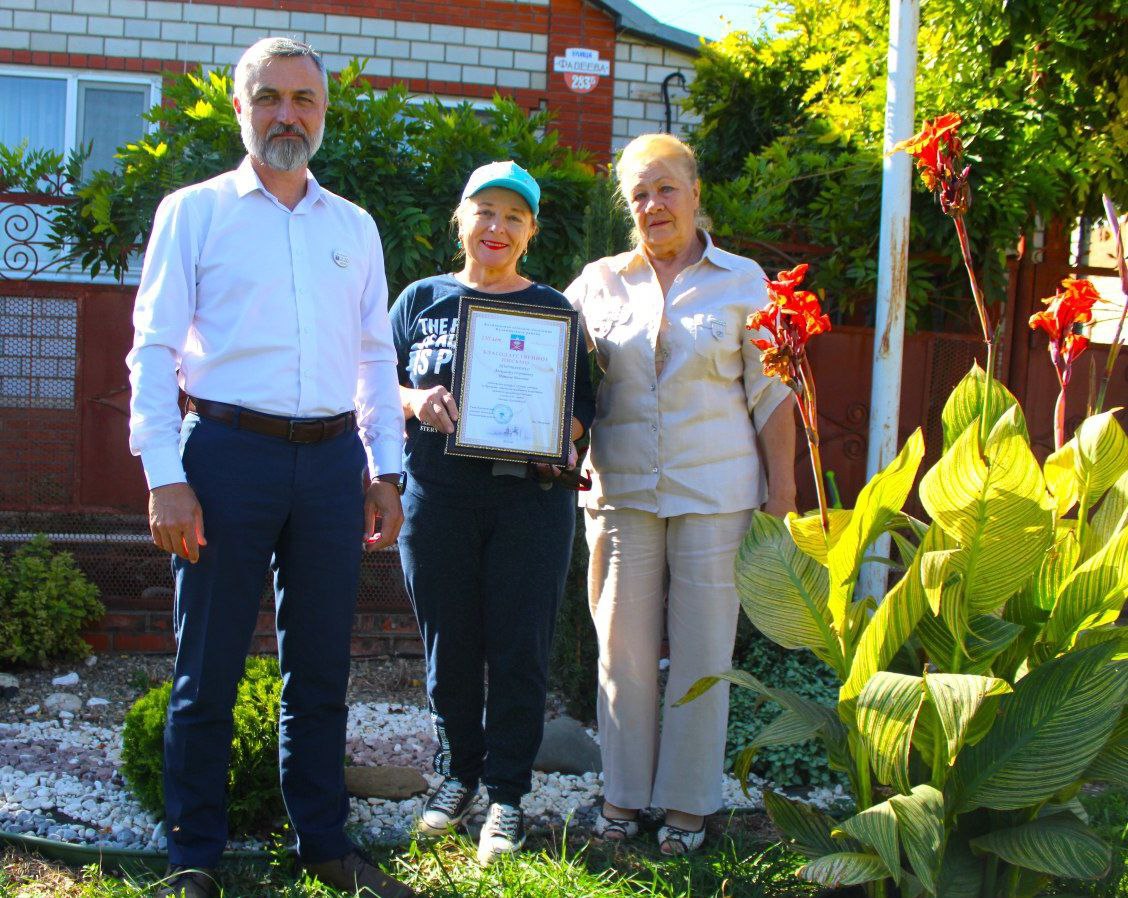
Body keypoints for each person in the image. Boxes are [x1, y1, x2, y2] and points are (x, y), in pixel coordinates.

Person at [127, 37, 416, 898]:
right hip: (223, 459)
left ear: (324, 113)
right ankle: (193, 861)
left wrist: (384, 469)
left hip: (332, 465)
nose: (288, 114)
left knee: (322, 667)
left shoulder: (352, 227)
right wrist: (163, 473)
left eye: (304, 100)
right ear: (239, 105)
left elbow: (373, 360)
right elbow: (151, 349)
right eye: (270, 97)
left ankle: (325, 845)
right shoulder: (196, 211)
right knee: (207, 668)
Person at [564, 133, 797, 855]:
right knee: (621, 655)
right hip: (622, 490)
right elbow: (559, 382)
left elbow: (773, 394)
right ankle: (622, 799)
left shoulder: (744, 281)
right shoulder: (595, 282)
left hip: (717, 493)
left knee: (703, 654)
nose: (652, 204)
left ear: (697, 195)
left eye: (666, 188)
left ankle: (690, 809)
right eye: (638, 193)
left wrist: (781, 497)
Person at [390, 161, 595, 866]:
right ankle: (457, 777)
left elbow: (584, 412)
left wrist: (551, 435)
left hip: (528, 506)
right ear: (461, 220)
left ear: (531, 231)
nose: (497, 228)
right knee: (450, 646)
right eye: (484, 212)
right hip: (436, 499)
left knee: (518, 648)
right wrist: (415, 402)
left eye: (513, 216)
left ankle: (506, 794)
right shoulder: (420, 300)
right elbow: (373, 386)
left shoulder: (555, 310)